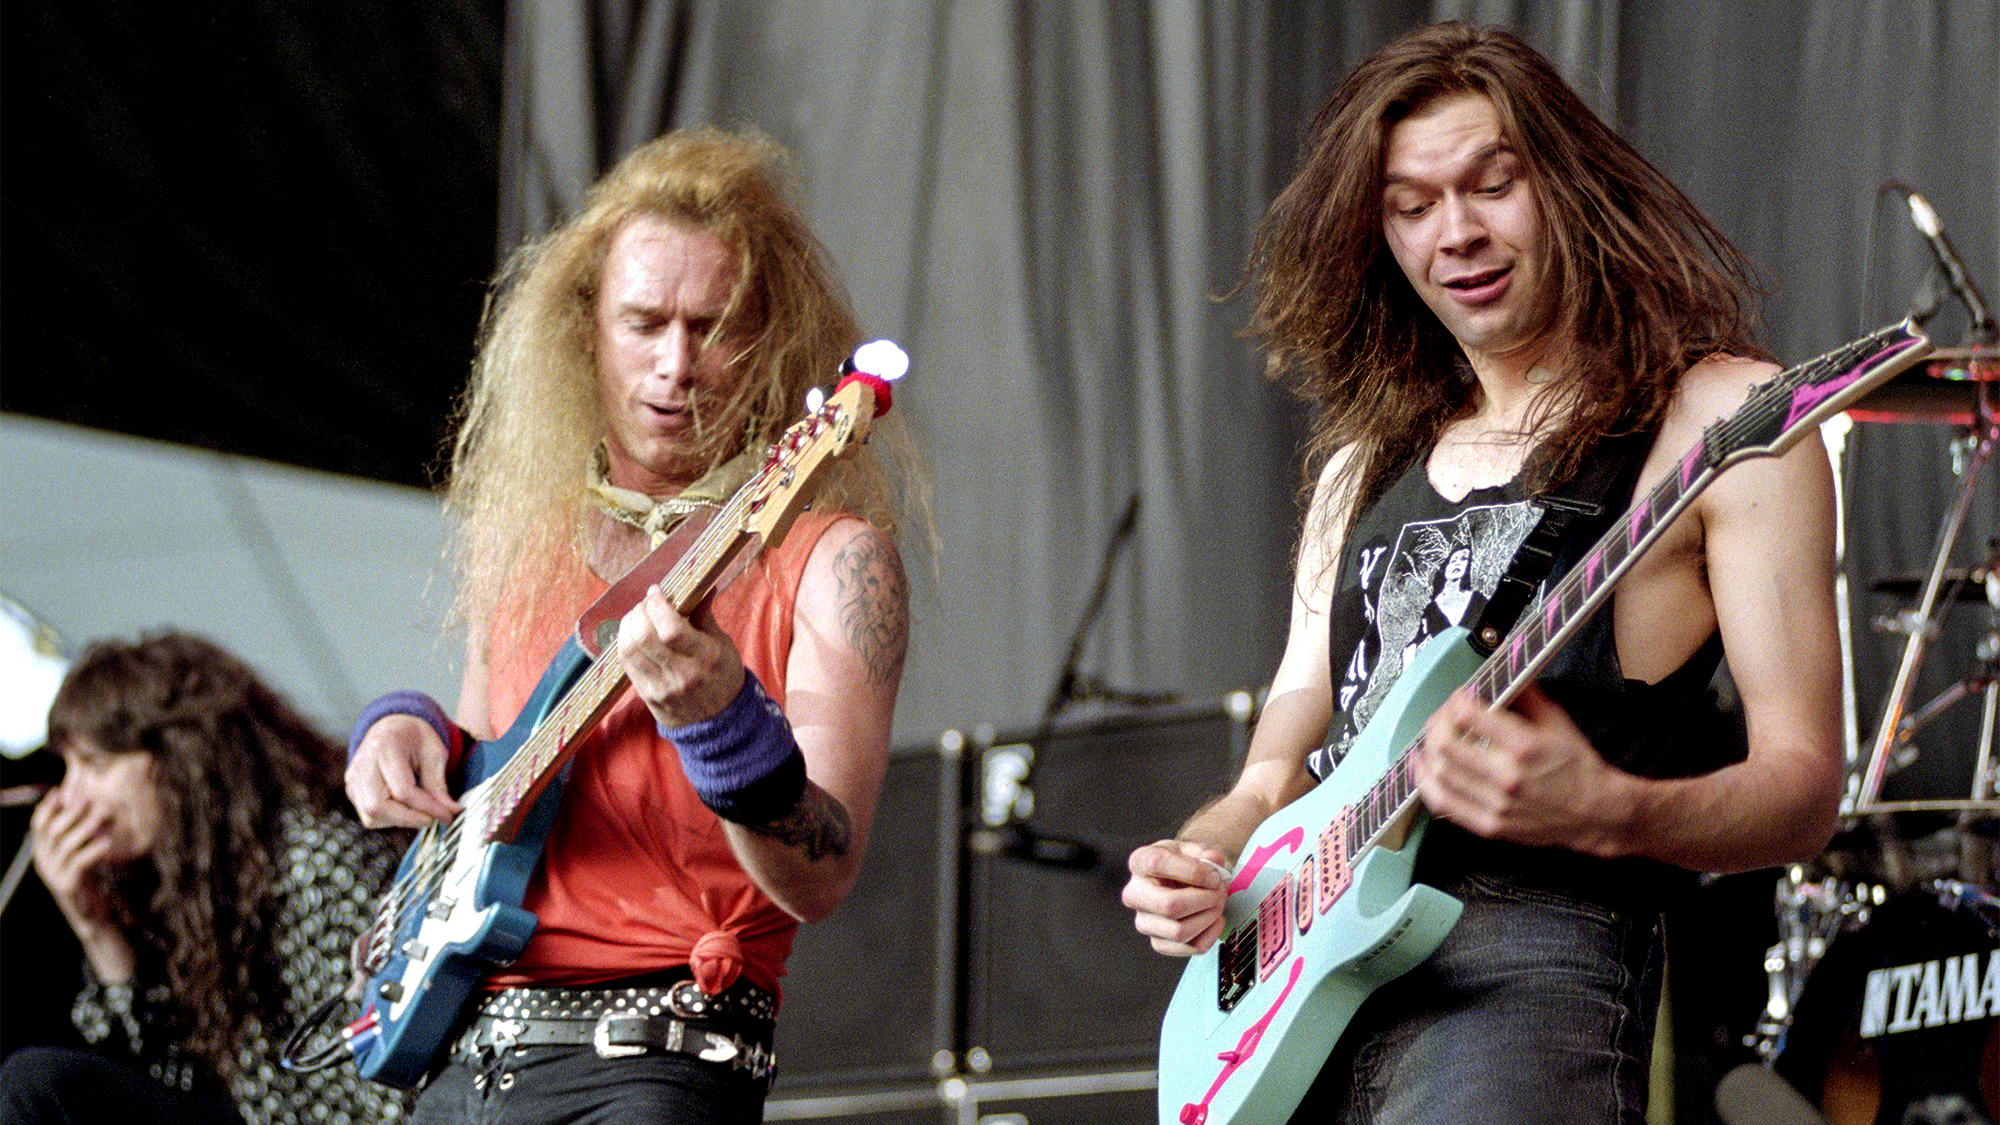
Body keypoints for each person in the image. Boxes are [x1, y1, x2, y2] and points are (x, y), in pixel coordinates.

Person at [1121, 22, 1844, 1124]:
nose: (1454, 232)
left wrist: (1609, 808)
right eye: (1410, 206)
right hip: (1298, 981)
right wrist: (1205, 855)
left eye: (1492, 186)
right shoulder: (1361, 467)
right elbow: (1278, 768)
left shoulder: (1720, 423)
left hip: (1526, 960)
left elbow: (1802, 790)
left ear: (1568, 187)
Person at [343, 127, 915, 1122]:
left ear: (769, 341)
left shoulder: (835, 560)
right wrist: (404, 728)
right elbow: (488, 764)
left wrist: (721, 723)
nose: (675, 364)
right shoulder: (522, 536)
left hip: (656, 1057)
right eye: (644, 323)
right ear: (585, 330)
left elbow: (822, 872)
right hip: (465, 1053)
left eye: (713, 327)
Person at [0, 631, 407, 1125]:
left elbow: (394, 1079)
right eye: (67, 768)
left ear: (179, 758)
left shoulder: (314, 862)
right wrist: (96, 929)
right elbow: (166, 1078)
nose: (67, 797)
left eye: (95, 764)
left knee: (33, 1087)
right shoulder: (175, 888)